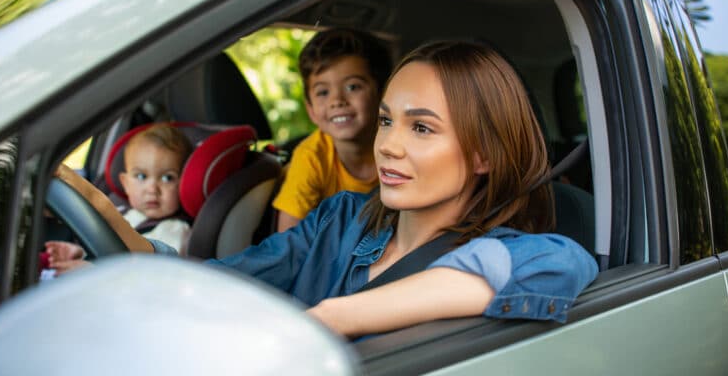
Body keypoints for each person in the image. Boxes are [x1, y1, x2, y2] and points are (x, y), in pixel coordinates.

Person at [49, 41, 598, 338]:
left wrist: (334, 318)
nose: (388, 145)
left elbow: (558, 264)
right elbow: (221, 284)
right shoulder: (341, 220)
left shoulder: (523, 251)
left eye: (421, 128)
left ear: (483, 155)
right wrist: (99, 214)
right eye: (387, 121)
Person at [273, 28, 393, 232]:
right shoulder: (311, 158)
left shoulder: (398, 146)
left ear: (383, 94)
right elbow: (287, 239)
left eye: (353, 87)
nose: (337, 101)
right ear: (311, 110)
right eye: (323, 92)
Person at [46, 124, 193, 269]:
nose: (152, 189)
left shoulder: (176, 229)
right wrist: (79, 252)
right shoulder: (126, 213)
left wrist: (89, 269)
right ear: (125, 183)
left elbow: (155, 271)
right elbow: (108, 246)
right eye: (141, 176)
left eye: (167, 178)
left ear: (184, 183)